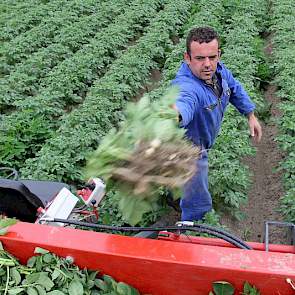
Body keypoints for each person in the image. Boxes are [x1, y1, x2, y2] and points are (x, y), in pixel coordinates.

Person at [171, 26, 262, 221]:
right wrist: (174, 114)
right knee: (198, 202)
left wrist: (250, 115)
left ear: (218, 54)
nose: (207, 64)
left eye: (212, 57)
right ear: (187, 58)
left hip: (204, 142)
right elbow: (183, 103)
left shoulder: (219, 72)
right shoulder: (187, 86)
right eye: (200, 58)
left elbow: (235, 88)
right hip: (190, 151)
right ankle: (191, 231)